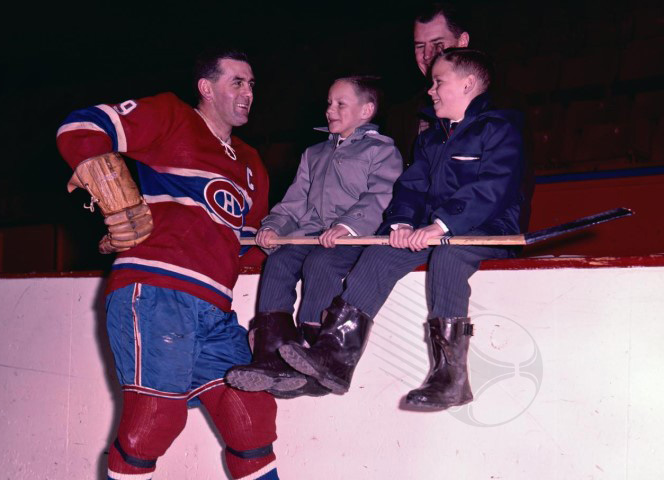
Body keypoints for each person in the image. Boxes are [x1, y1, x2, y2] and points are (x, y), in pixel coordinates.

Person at [56, 49, 280, 480]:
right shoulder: (172, 116)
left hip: (215, 309)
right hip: (155, 291)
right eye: (237, 82)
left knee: (250, 417)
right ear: (206, 88)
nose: (248, 92)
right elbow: (81, 126)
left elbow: (247, 246)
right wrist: (100, 179)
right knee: (155, 420)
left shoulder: (252, 164)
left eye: (252, 84)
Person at [279, 49, 526, 409]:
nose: (431, 90)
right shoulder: (432, 137)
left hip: (488, 229)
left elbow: (492, 189)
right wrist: (402, 223)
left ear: (468, 84)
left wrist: (441, 225)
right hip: (435, 228)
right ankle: (335, 358)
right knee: (381, 253)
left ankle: (451, 377)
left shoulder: (501, 128)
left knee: (449, 256)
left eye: (439, 82)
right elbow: (410, 187)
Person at [225, 76, 402, 398]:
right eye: (329, 103)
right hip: (309, 233)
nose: (330, 110)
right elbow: (295, 200)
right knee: (278, 263)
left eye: (340, 104)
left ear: (367, 110)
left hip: (353, 237)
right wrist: (274, 227)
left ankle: (315, 353)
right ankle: (271, 354)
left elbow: (379, 195)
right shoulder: (314, 153)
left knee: (321, 264)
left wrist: (348, 226)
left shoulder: (381, 150)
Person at [387, 2, 470, 166]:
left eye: (438, 44)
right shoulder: (400, 115)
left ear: (462, 42)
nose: (427, 55)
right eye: (420, 46)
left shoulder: (502, 106)